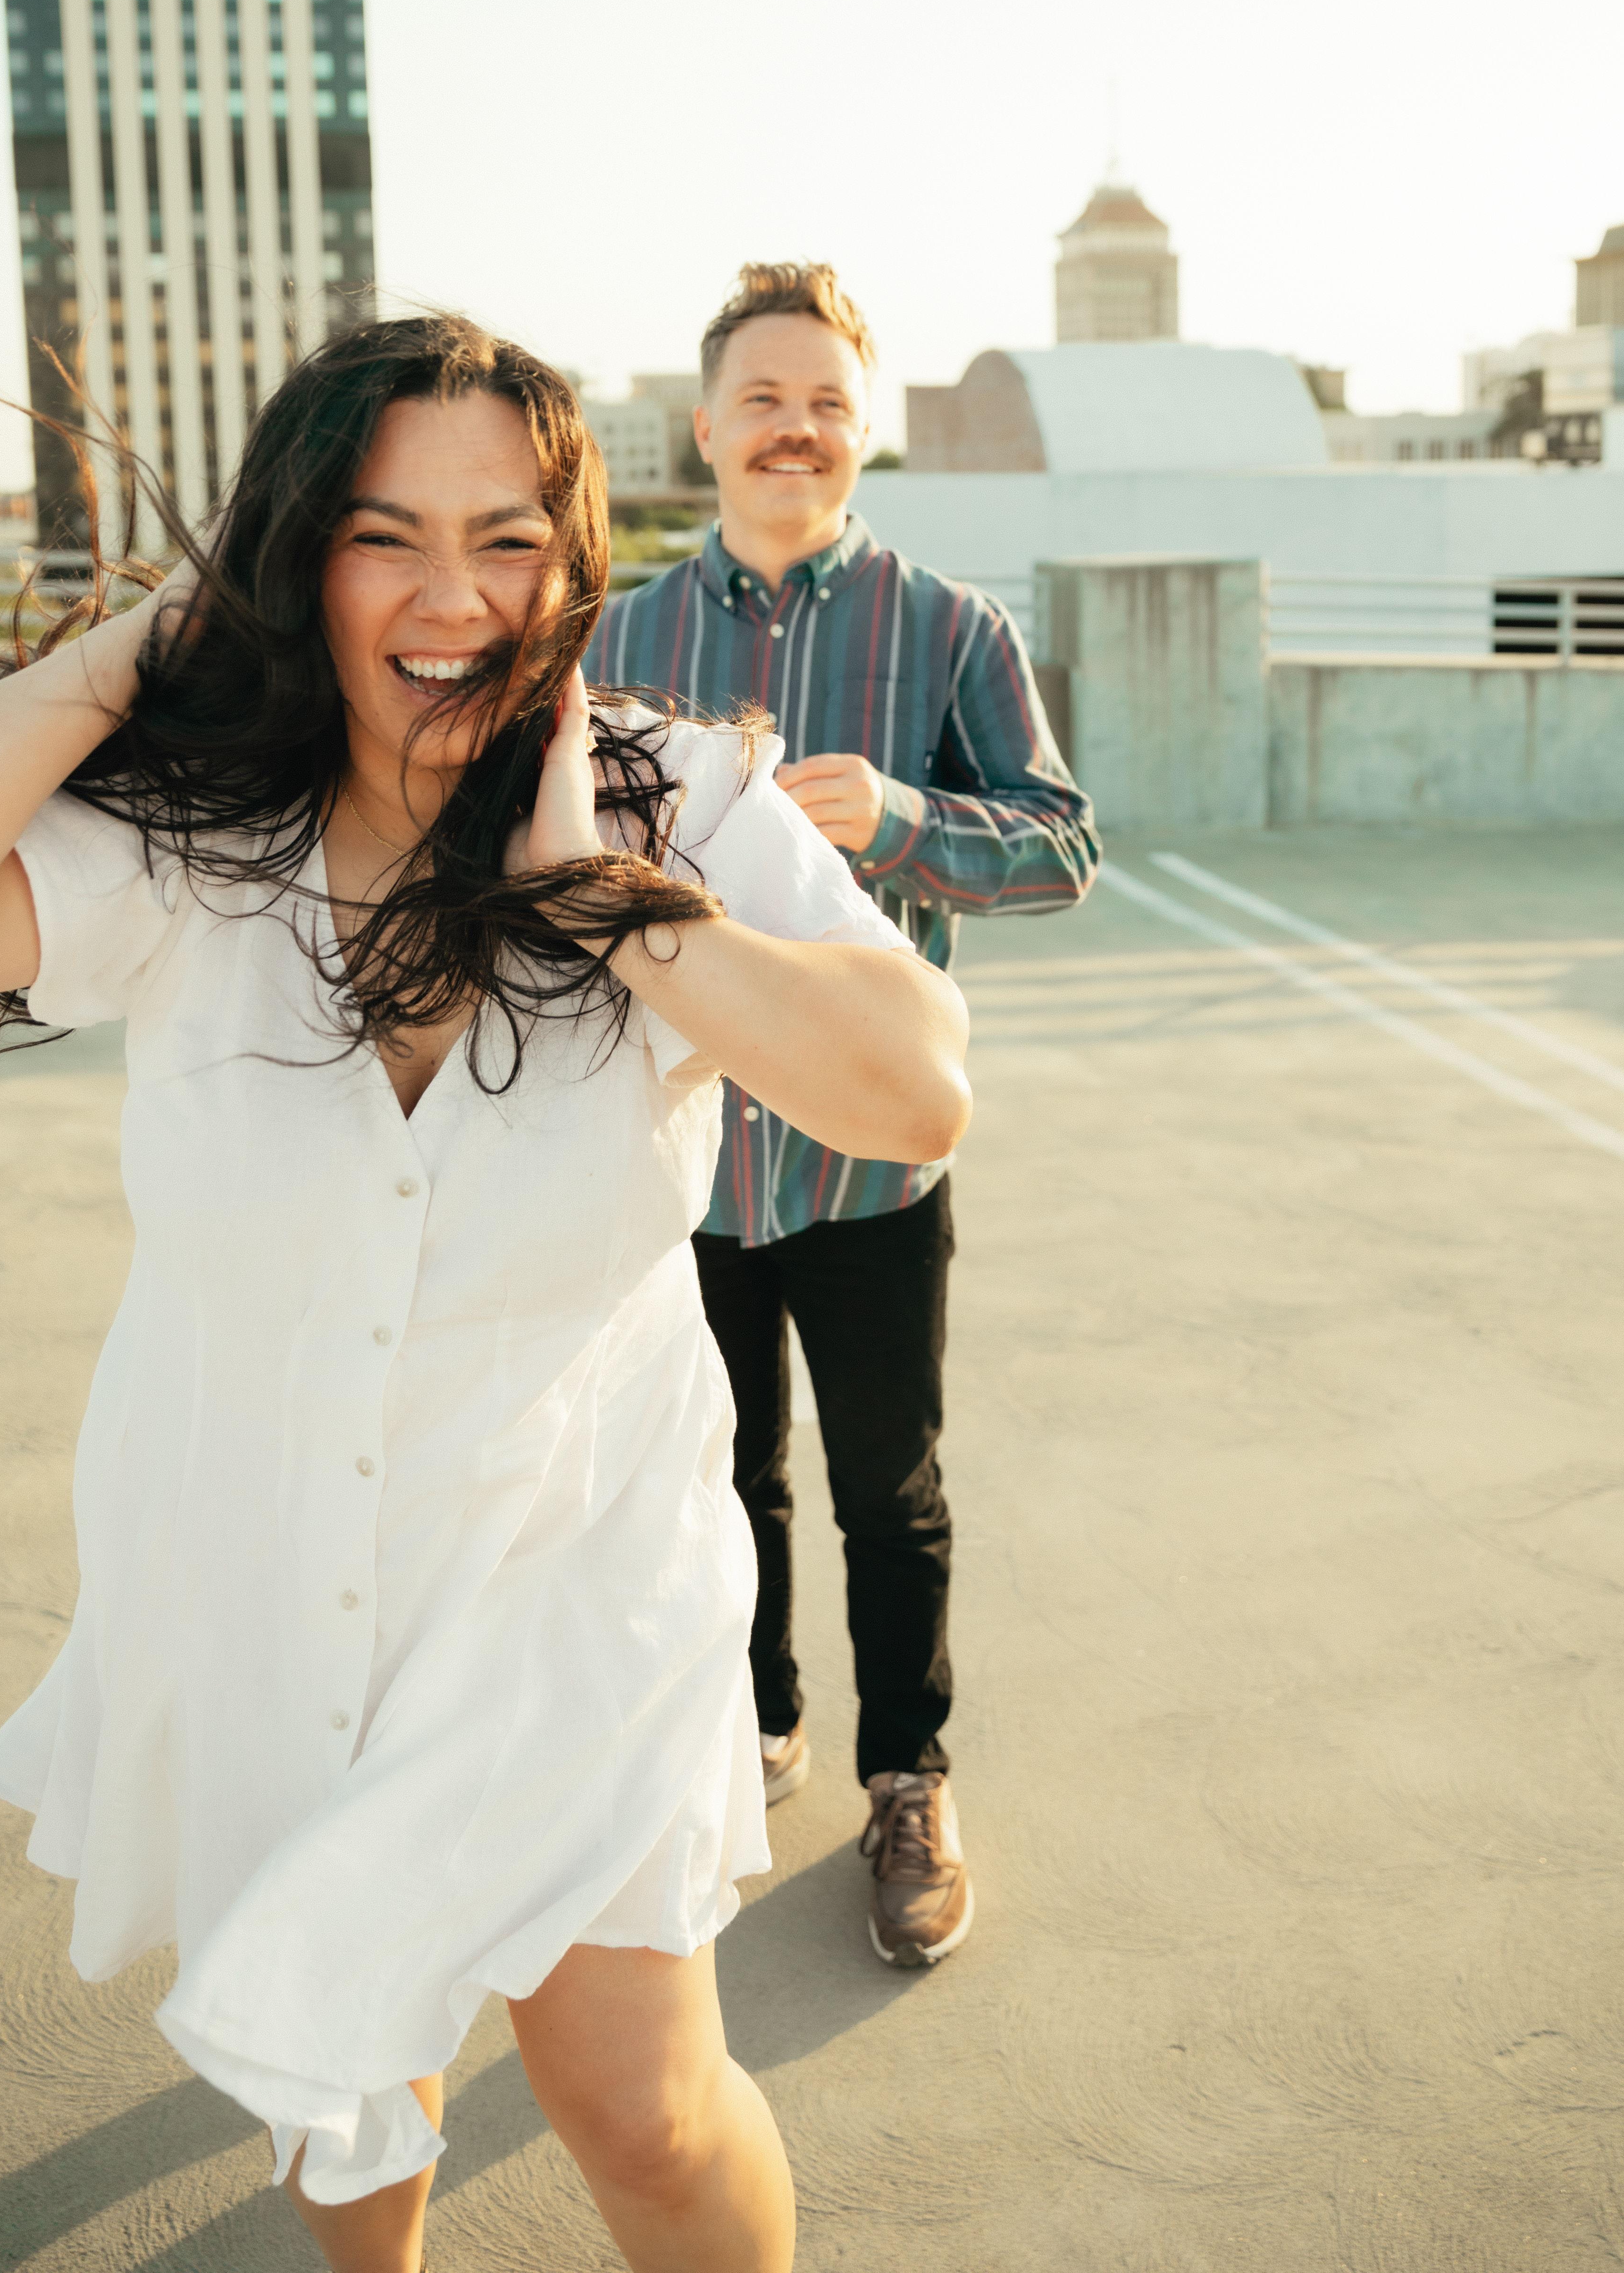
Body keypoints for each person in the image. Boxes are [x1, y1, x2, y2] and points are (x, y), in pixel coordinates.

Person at [0, 314, 972, 2273]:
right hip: (259, 1557)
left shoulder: (676, 798)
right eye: (382, 538)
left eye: (505, 539)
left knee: (640, 2104)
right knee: (345, 2099)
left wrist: (610, 908)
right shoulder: (200, 825)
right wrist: (146, 646)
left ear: (573, 558)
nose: (452, 597)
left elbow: (913, 1090)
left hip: (575, 1568)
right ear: (297, 559)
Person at [587, 265, 1097, 1971]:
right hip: (677, 1163)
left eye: (826, 401)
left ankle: (907, 1778)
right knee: (715, 1478)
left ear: (864, 428)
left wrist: (905, 820)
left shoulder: (954, 629)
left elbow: (1064, 845)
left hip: (873, 1162)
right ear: (707, 425)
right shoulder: (615, 640)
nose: (792, 427)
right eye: (762, 397)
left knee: (892, 1488)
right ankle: (756, 1725)